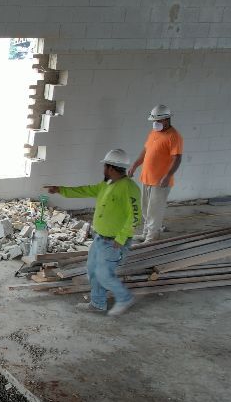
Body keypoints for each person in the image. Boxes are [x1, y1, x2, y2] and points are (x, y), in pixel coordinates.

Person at [44, 148, 142, 316]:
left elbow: (135, 216)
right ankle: (98, 303)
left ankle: (125, 298)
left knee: (104, 275)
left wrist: (122, 237)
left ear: (111, 168)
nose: (103, 169)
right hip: (100, 239)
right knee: (92, 271)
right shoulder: (107, 184)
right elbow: (86, 190)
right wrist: (61, 189)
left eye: (105, 166)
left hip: (114, 242)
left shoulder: (129, 188)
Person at [127, 104, 184, 243]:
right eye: (153, 121)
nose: (154, 123)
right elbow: (146, 151)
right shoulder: (154, 133)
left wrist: (168, 175)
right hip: (147, 178)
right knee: (146, 209)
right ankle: (146, 233)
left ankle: (152, 238)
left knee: (154, 211)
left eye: (157, 121)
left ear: (166, 119)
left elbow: (177, 158)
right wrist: (135, 165)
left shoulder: (174, 136)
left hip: (160, 181)